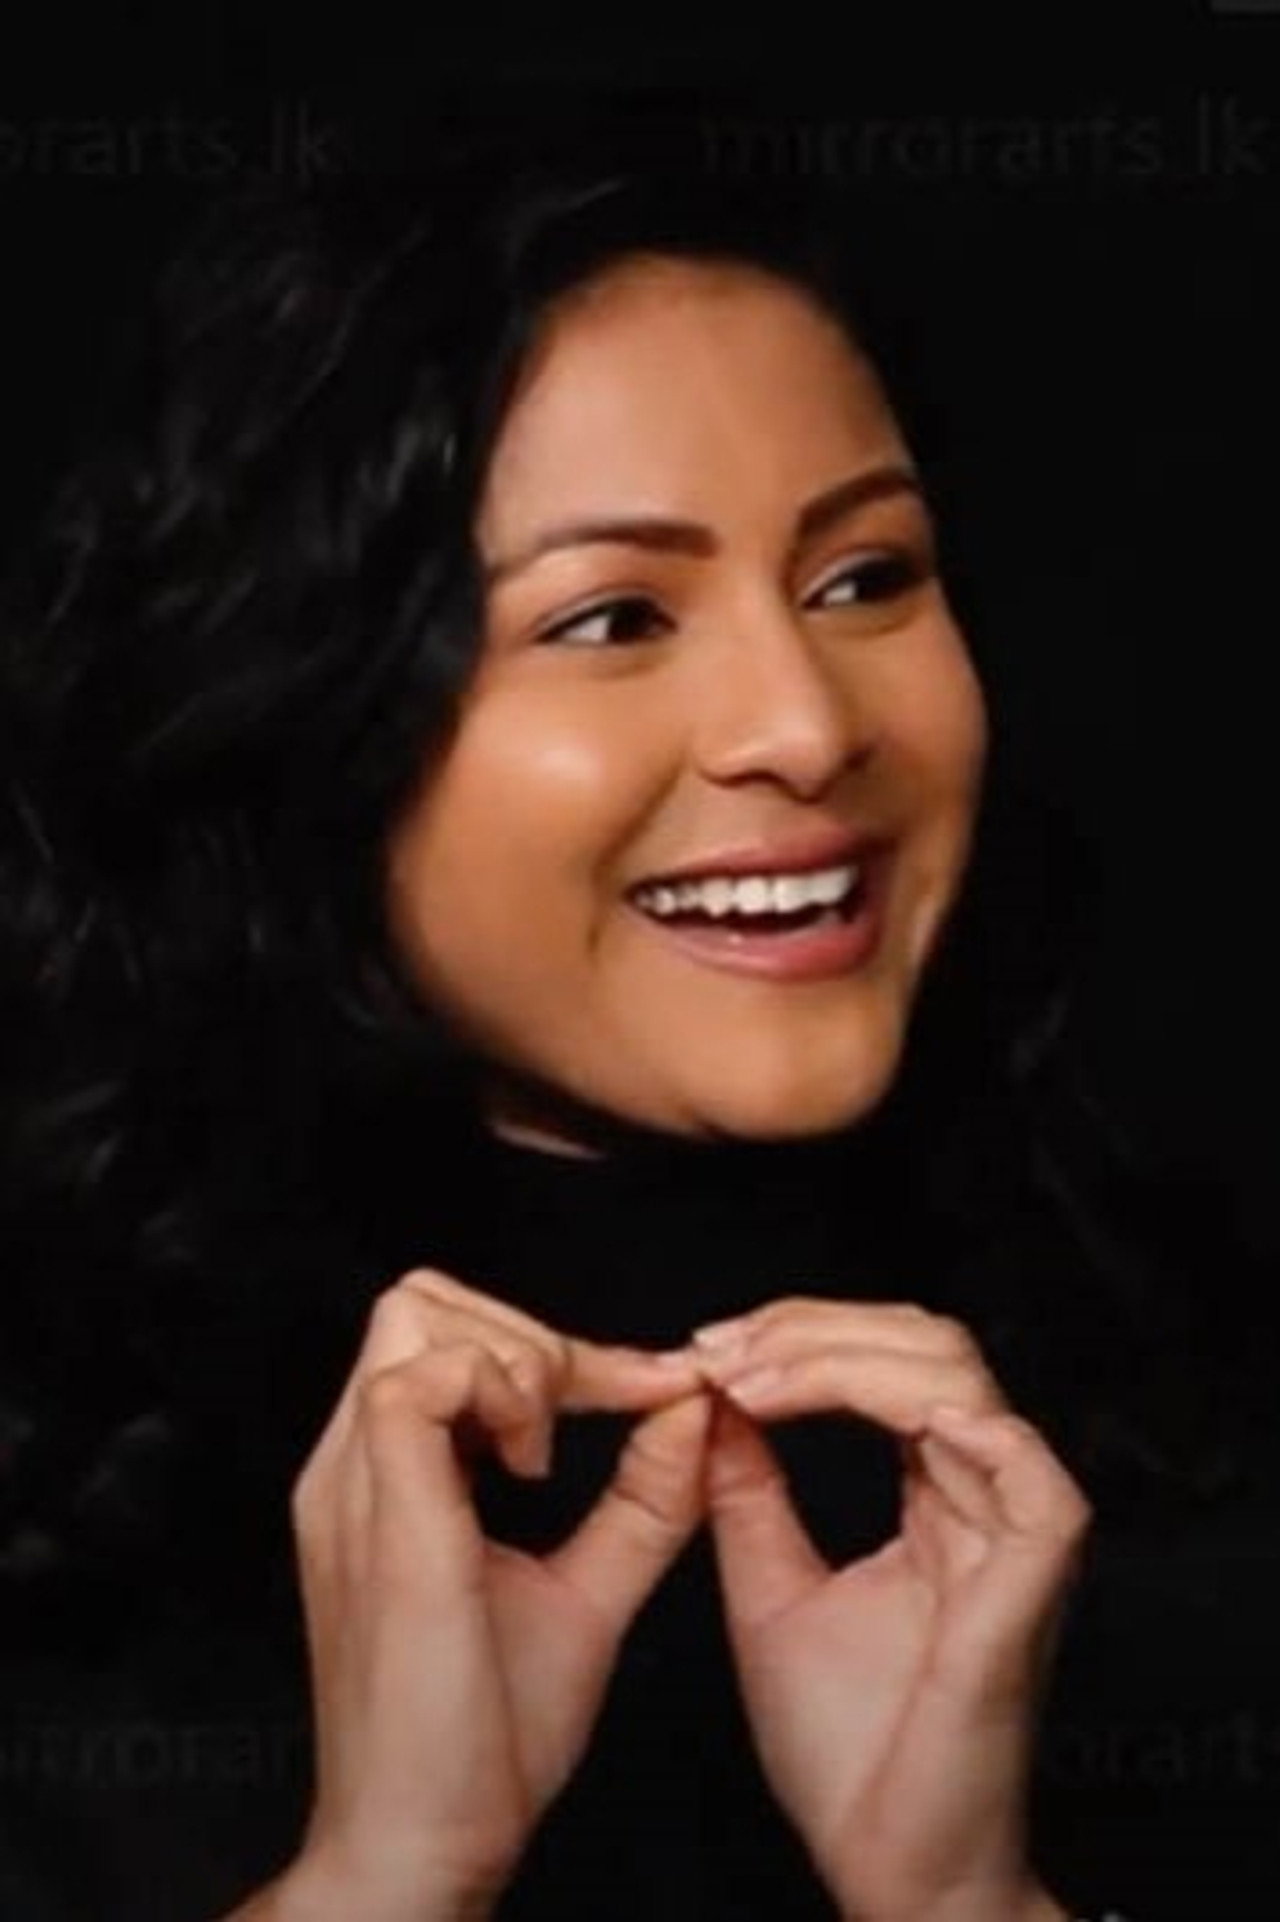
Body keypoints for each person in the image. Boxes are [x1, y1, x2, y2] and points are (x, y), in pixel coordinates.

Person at [0, 124, 1275, 1921]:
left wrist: (967, 1903)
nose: (806, 727)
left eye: (864, 578)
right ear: (302, 716)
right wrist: (384, 1879)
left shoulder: (1192, 1412)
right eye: (613, 617)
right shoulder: (68, 1517)